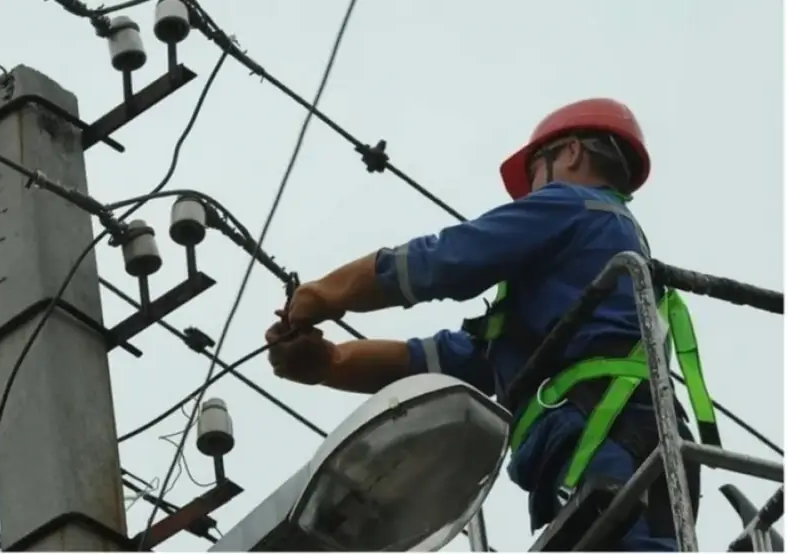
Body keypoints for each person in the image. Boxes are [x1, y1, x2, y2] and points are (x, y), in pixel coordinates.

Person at [263, 98, 721, 551]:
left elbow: (444, 260)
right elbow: (446, 361)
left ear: (571, 152)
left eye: (534, 172)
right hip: (638, 438)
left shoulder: (569, 205)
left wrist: (324, 294)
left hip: (602, 430)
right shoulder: (587, 269)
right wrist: (331, 362)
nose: (529, 193)